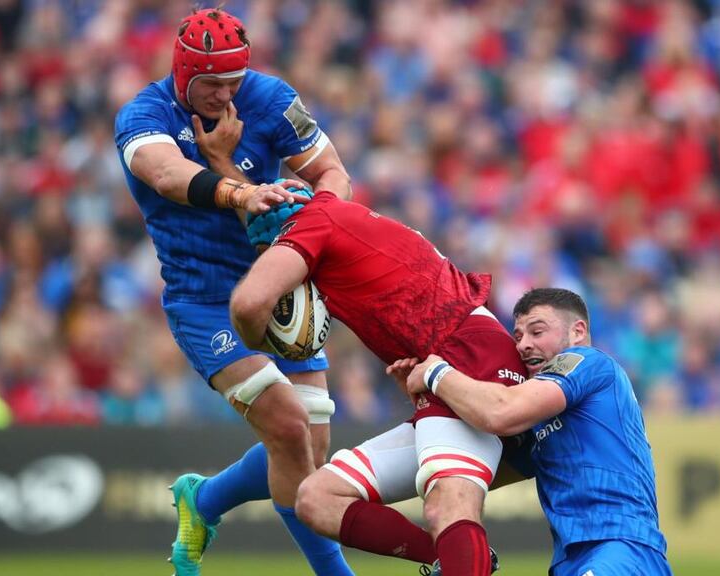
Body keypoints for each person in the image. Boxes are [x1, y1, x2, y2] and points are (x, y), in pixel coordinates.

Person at [113, 7, 353, 576]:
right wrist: (240, 193)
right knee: (291, 430)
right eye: (212, 85)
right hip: (204, 301)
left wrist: (316, 219)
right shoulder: (143, 115)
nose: (225, 96)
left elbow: (334, 173)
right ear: (183, 75)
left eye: (233, 83)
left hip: (279, 292)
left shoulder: (269, 98)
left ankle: (204, 500)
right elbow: (168, 175)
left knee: (311, 452)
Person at [229, 191, 526, 575]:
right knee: (316, 499)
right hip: (450, 362)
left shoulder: (309, 223)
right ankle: (457, 561)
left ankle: (464, 562)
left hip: (467, 353)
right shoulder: (342, 216)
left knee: (447, 505)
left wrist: (259, 340)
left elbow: (248, 304)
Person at [391, 288, 672, 576]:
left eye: (537, 332)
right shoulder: (540, 428)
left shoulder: (588, 362)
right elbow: (464, 474)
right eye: (518, 337)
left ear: (578, 331)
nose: (523, 345)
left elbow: (500, 411)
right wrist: (429, 403)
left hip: (622, 547)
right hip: (571, 561)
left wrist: (437, 373)